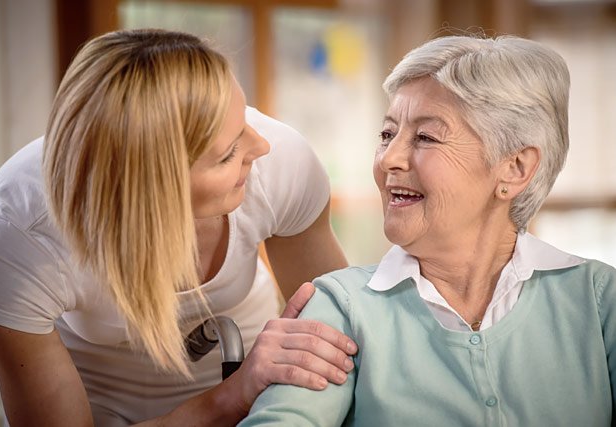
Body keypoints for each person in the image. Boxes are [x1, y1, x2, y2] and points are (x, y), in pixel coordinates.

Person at [239, 34, 616, 426]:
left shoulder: (600, 301)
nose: (389, 159)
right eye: (387, 135)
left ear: (515, 168)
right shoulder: (339, 307)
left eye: (425, 137)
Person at [0, 29, 358, 427]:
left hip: (250, 361)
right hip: (98, 399)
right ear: (154, 186)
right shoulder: (19, 232)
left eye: (244, 121)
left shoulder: (280, 165)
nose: (260, 147)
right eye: (228, 154)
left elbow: (345, 343)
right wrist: (230, 397)